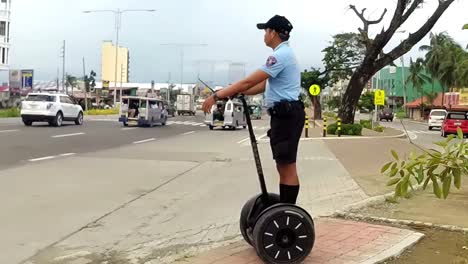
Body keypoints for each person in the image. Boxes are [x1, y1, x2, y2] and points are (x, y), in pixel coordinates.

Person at [202, 15, 304, 204]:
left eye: (266, 31)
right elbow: (263, 85)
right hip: (285, 114)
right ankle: (284, 210)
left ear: (273, 32)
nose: (264, 35)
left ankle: (288, 213)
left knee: (287, 167)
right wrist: (239, 91)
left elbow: (249, 81)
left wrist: (217, 96)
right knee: (283, 166)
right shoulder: (284, 54)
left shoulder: (279, 56)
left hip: (287, 115)